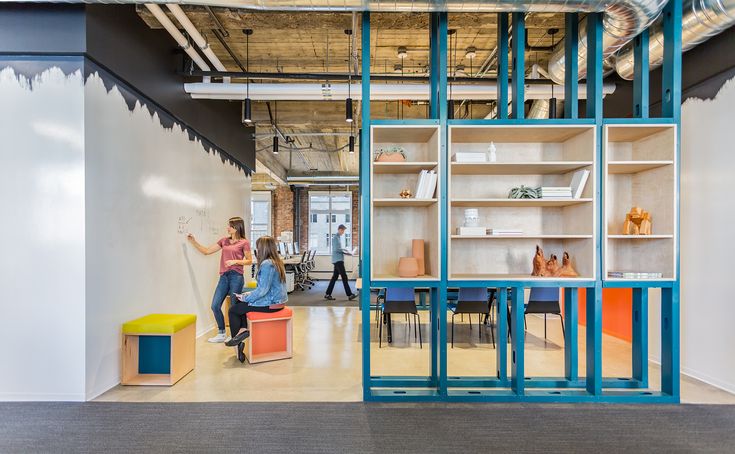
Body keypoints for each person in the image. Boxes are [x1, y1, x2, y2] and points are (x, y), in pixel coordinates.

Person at [187, 217, 252, 343]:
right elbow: (206, 251)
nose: (227, 228)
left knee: (234, 307)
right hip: (224, 277)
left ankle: (235, 335)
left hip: (236, 277)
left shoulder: (244, 242)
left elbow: (249, 260)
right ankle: (221, 333)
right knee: (215, 305)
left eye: (230, 226)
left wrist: (235, 261)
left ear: (237, 227)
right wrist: (193, 242)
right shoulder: (224, 241)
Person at [225, 236, 288, 363]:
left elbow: (262, 290)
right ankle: (242, 331)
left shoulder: (266, 264)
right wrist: (248, 295)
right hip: (278, 301)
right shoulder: (276, 261)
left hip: (271, 304)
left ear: (262, 249)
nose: (256, 250)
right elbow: (266, 288)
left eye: (258, 247)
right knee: (240, 302)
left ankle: (238, 343)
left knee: (233, 310)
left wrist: (246, 296)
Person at [325, 224, 357, 301]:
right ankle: (349, 295)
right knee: (344, 277)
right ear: (339, 229)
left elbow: (339, 248)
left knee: (334, 277)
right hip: (338, 260)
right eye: (342, 230)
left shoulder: (338, 237)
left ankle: (327, 294)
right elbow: (337, 249)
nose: (343, 232)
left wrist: (345, 250)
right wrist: (347, 253)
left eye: (344, 230)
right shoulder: (336, 238)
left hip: (338, 260)